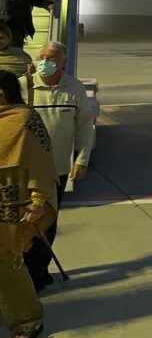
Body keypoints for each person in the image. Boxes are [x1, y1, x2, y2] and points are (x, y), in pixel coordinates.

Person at [23, 42, 93, 293]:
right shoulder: (23, 86)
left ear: (64, 63)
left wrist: (82, 159)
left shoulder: (74, 88)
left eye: (51, 58)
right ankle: (28, 273)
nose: (44, 62)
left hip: (57, 170)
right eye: (41, 57)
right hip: (27, 172)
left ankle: (38, 271)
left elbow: (84, 126)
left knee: (48, 222)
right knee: (26, 222)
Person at [0, 69, 57, 338]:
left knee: (8, 263)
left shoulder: (25, 120)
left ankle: (28, 320)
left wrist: (37, 202)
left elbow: (42, 162)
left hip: (11, 203)